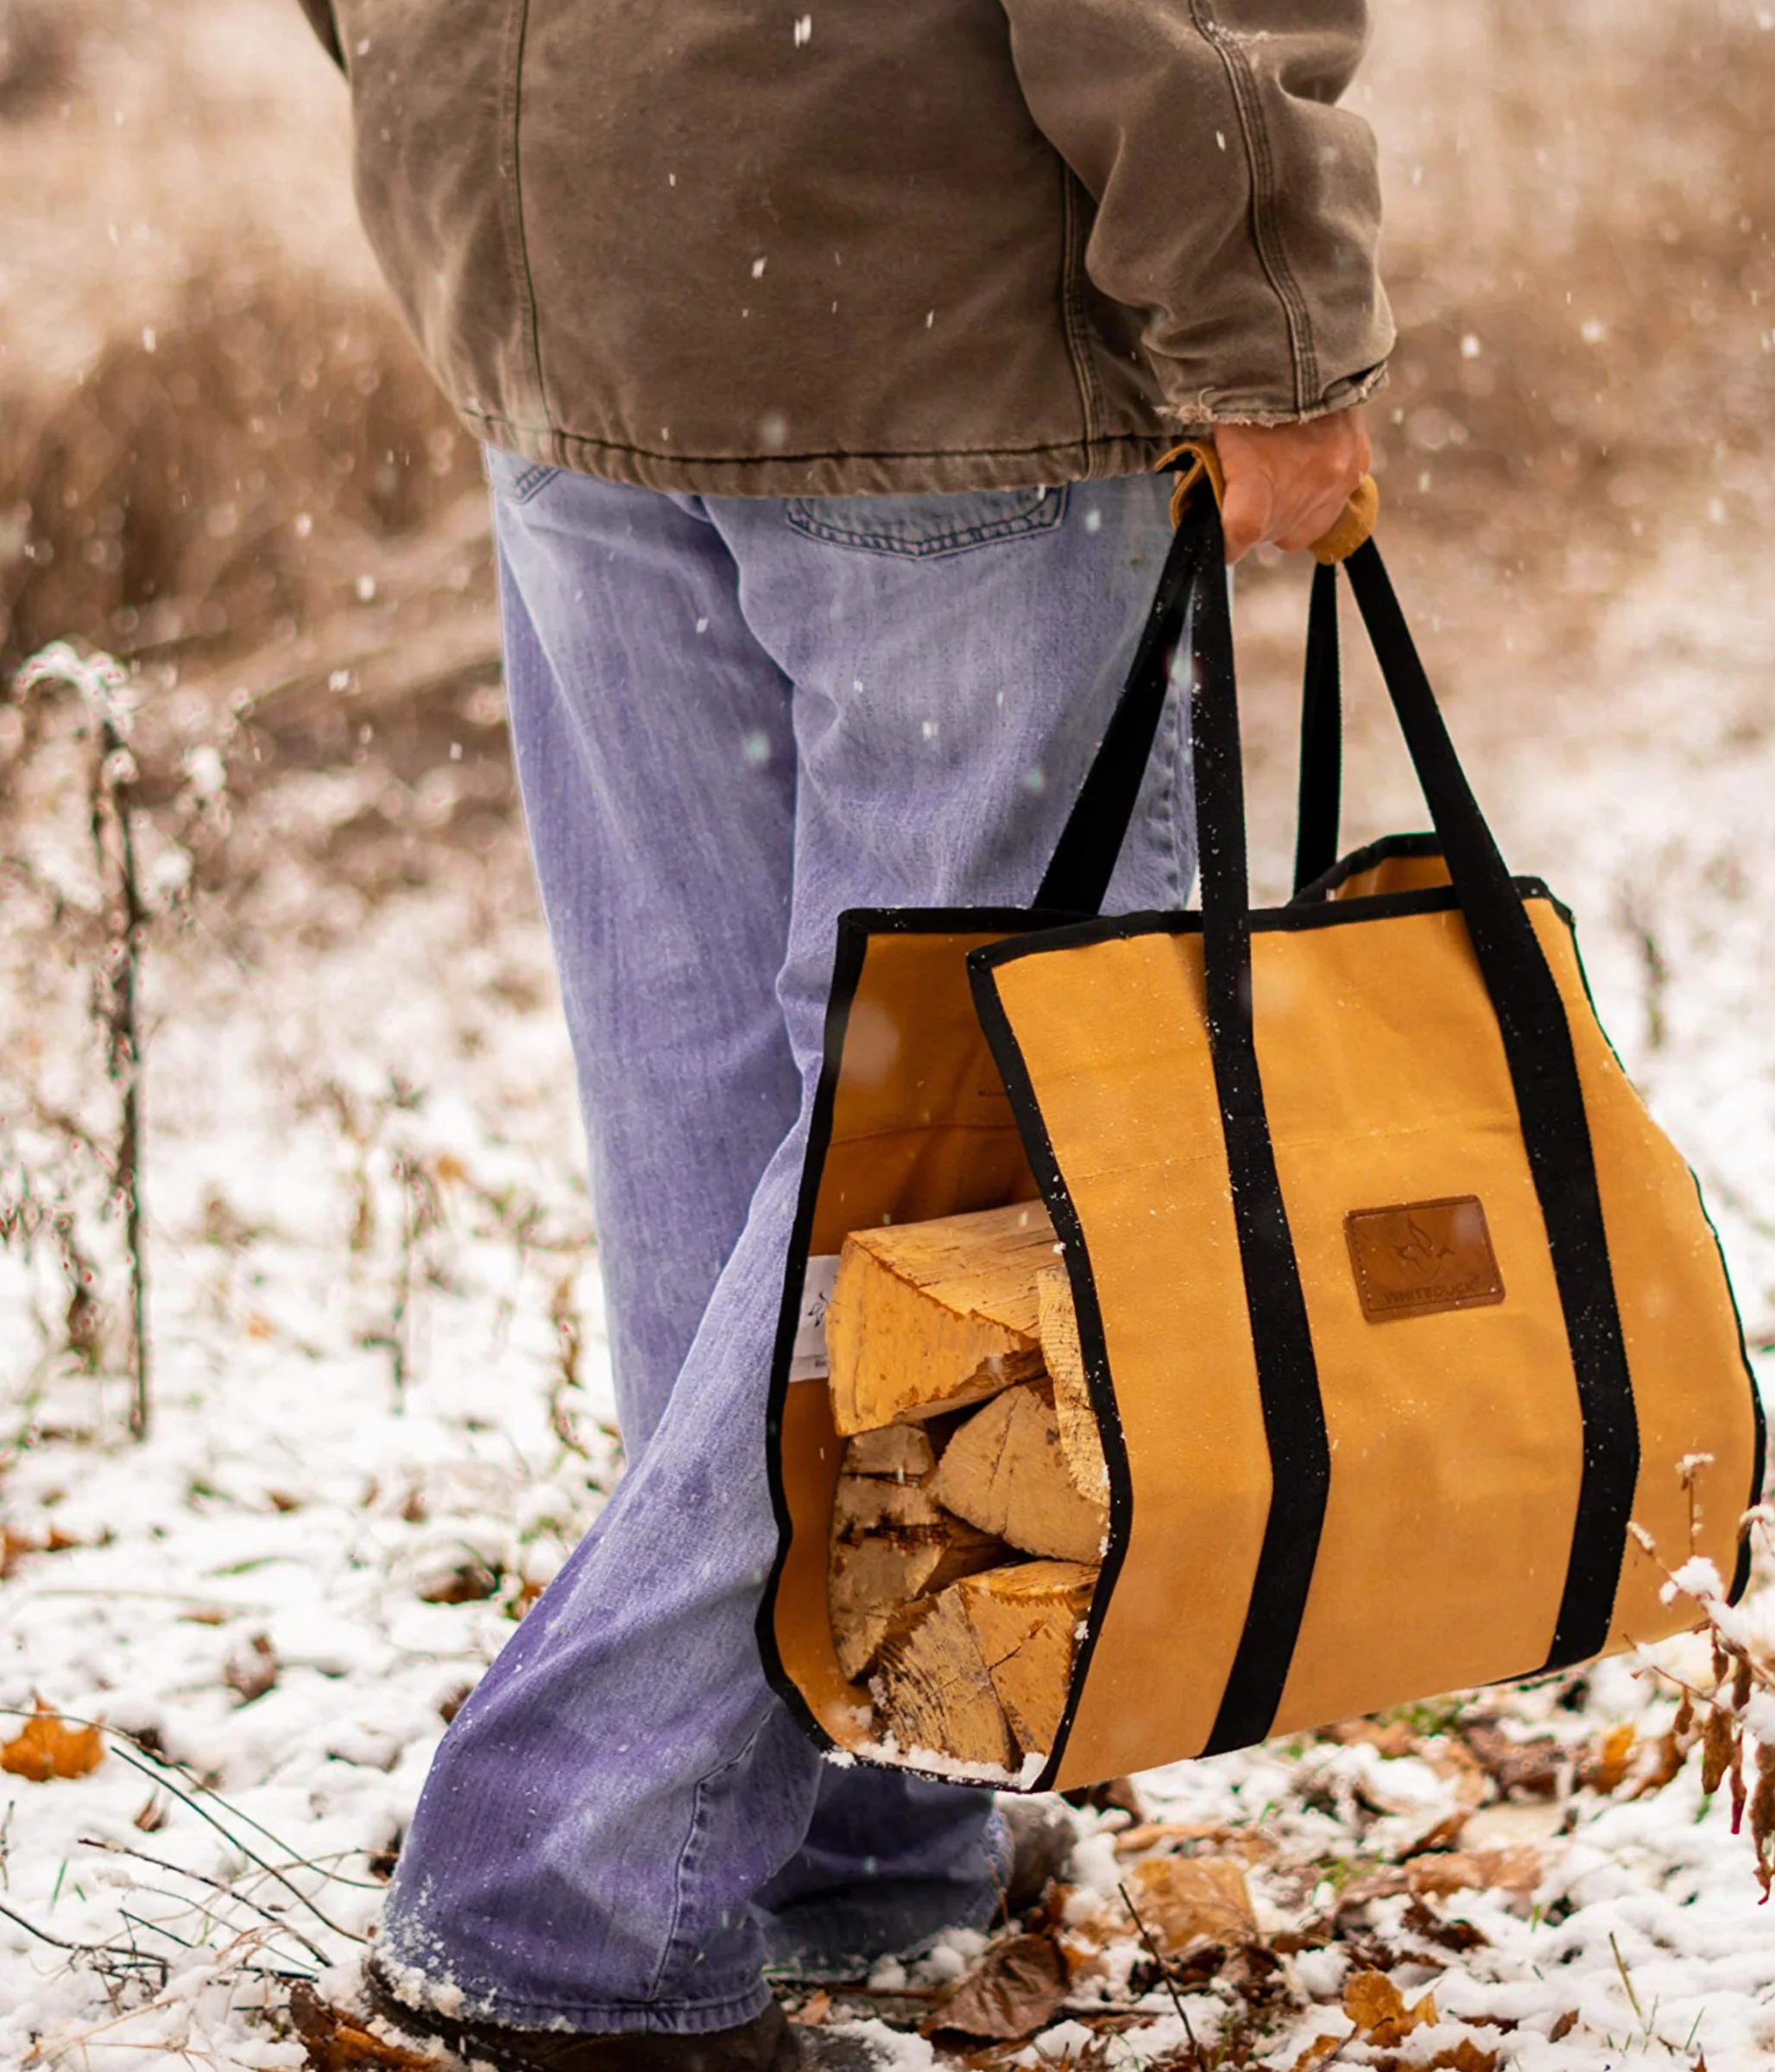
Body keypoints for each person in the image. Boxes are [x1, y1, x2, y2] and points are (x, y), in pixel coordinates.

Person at [290, 1, 1392, 2063]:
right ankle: (572, 1886)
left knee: (725, 1112)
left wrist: (518, 124)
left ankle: (846, 1804)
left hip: (567, 277)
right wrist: (1272, 329)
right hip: (915, 305)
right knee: (954, 1123)